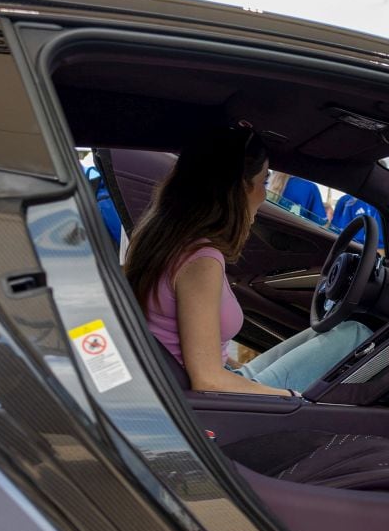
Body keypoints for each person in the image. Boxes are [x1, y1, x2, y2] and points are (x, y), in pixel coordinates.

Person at [125, 129, 372, 395]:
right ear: (240, 188)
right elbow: (207, 381)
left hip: (211, 383)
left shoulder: (164, 241)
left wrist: (233, 369)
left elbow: (191, 352)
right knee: (356, 335)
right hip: (212, 403)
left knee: (339, 331)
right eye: (263, 182)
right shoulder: (201, 261)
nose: (264, 196)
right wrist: (292, 399)